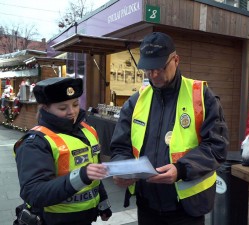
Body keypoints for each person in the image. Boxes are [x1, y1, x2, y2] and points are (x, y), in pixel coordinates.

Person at [110, 32, 229, 225]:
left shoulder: (201, 96)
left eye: (160, 68)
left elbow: (217, 147)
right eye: (148, 70)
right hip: (147, 204)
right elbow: (120, 147)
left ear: (176, 60)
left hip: (187, 208)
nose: (154, 75)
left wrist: (181, 169)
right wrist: (122, 169)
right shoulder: (136, 101)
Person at [14, 77, 112, 225]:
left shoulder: (89, 131)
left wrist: (102, 201)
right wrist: (81, 175)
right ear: (45, 108)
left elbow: (94, 173)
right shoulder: (35, 142)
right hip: (53, 220)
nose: (71, 112)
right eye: (62, 108)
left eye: (75, 104)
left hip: (85, 217)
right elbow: (34, 193)